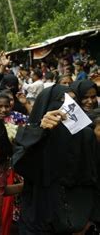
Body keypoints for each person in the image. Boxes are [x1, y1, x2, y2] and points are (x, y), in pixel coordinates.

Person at [13, 84, 99, 233]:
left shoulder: (86, 136)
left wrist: (90, 220)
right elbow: (21, 164)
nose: (66, 107)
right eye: (61, 101)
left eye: (73, 102)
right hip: (38, 219)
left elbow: (94, 178)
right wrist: (40, 133)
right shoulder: (29, 134)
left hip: (76, 222)